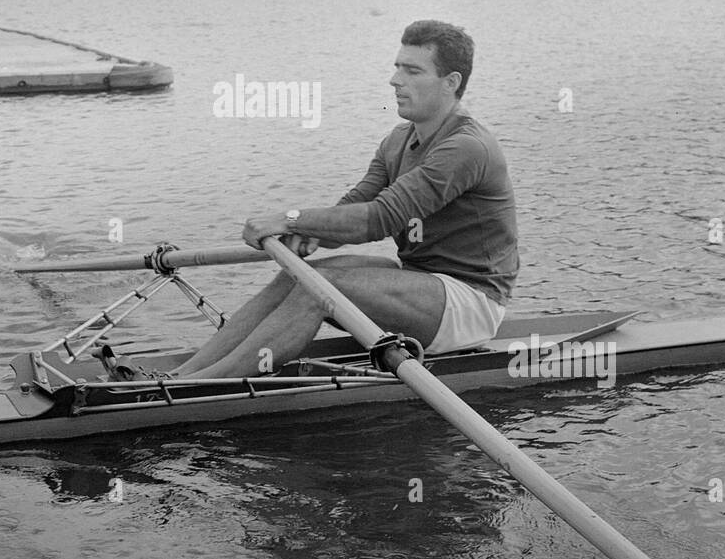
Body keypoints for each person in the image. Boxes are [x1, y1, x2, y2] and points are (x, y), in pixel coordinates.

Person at [139, 20, 519, 382]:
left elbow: (379, 219)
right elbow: (352, 208)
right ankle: (182, 374)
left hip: (469, 303)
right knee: (300, 275)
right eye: (396, 67)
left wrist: (289, 220)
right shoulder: (397, 141)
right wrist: (309, 235)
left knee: (322, 288)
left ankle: (197, 386)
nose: (395, 80)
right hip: (420, 282)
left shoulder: (466, 147)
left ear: (451, 82)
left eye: (413, 71)